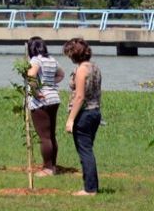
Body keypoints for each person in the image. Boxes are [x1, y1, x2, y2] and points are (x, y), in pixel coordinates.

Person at [63, 37, 102, 196]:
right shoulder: (95, 67)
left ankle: (90, 189)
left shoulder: (81, 70)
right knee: (88, 150)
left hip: (84, 115)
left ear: (74, 54)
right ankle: (90, 185)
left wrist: (71, 119)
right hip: (95, 112)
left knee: (85, 151)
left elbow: (80, 97)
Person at [25, 37, 64, 176]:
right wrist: (49, 83)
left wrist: (36, 92)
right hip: (54, 98)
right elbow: (61, 74)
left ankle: (47, 169)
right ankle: (52, 165)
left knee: (44, 137)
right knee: (51, 135)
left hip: (41, 101)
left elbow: (31, 76)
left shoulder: (35, 60)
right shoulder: (51, 59)